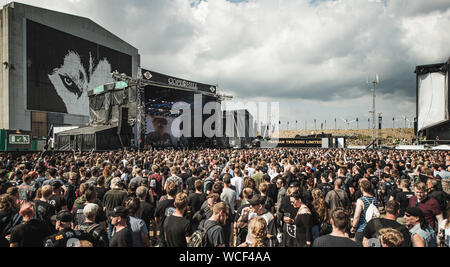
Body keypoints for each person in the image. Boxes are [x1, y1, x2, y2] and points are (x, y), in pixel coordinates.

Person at [351, 178, 378, 245]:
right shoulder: (375, 199)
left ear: (362, 189)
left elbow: (357, 216)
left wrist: (354, 227)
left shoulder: (360, 200)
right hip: (373, 228)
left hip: (362, 228)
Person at [154, 181, 177, 247]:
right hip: (175, 232)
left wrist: (159, 224)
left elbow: (156, 217)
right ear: (176, 191)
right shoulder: (179, 204)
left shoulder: (161, 204)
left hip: (163, 232)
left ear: (166, 190)